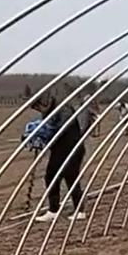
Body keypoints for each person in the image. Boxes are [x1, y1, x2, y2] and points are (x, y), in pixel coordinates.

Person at [30, 93, 94, 222]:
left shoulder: (64, 110)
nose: (38, 110)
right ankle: (53, 210)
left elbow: (61, 128)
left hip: (72, 148)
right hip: (59, 150)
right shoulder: (49, 113)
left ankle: (79, 210)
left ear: (44, 102)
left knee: (71, 177)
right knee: (51, 176)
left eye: (38, 106)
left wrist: (46, 131)